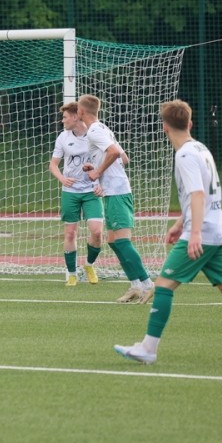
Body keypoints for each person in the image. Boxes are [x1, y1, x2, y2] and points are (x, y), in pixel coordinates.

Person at [115, 100, 222, 365]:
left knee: (163, 285)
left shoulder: (185, 155)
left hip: (204, 233)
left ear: (164, 127)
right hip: (218, 230)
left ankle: (148, 349)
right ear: (189, 123)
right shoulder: (200, 148)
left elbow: (198, 194)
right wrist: (180, 223)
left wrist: (194, 232)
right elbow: (203, 195)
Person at [77, 94, 154, 303]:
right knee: (113, 241)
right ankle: (136, 286)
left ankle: (148, 284)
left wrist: (97, 171)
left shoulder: (94, 131)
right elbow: (124, 158)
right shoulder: (104, 129)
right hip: (113, 191)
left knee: (122, 241)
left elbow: (113, 153)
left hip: (118, 191)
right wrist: (95, 167)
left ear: (81, 111)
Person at [49, 101, 103, 286]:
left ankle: (89, 265)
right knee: (70, 233)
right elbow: (53, 165)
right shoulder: (63, 137)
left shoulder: (95, 134)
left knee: (97, 232)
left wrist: (100, 183)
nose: (62, 120)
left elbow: (107, 159)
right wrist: (62, 179)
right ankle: (72, 273)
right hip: (70, 192)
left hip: (91, 191)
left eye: (65, 117)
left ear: (75, 117)